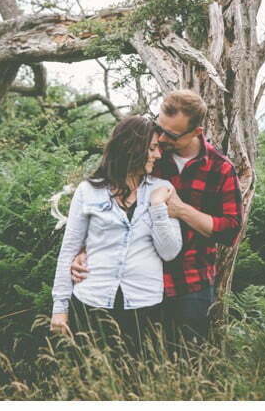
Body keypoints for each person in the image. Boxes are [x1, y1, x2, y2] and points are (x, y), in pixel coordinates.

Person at [71, 90, 243, 343]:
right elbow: (111, 203)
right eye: (159, 128)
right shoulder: (149, 156)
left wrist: (181, 210)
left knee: (187, 356)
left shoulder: (220, 168)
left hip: (189, 282)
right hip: (139, 282)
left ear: (196, 132)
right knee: (136, 356)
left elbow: (230, 230)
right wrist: (86, 250)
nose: (161, 138)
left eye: (171, 135)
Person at [50, 115, 183, 352]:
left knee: (141, 373)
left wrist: (157, 207)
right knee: (90, 372)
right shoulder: (88, 191)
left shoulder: (163, 190)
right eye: (152, 148)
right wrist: (60, 308)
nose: (158, 155)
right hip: (92, 300)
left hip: (144, 305)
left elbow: (170, 251)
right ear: (132, 148)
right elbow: (69, 250)